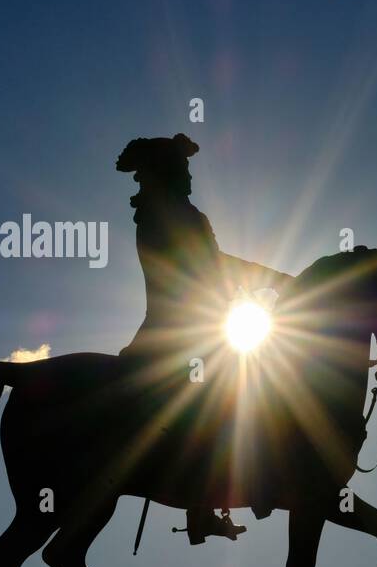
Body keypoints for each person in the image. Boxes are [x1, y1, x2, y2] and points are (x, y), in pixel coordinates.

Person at [115, 133, 292, 543]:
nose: (191, 177)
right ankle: (238, 489)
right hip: (180, 336)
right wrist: (277, 281)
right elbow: (213, 267)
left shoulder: (169, 215)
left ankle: (208, 506)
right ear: (168, 172)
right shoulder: (174, 217)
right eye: (185, 169)